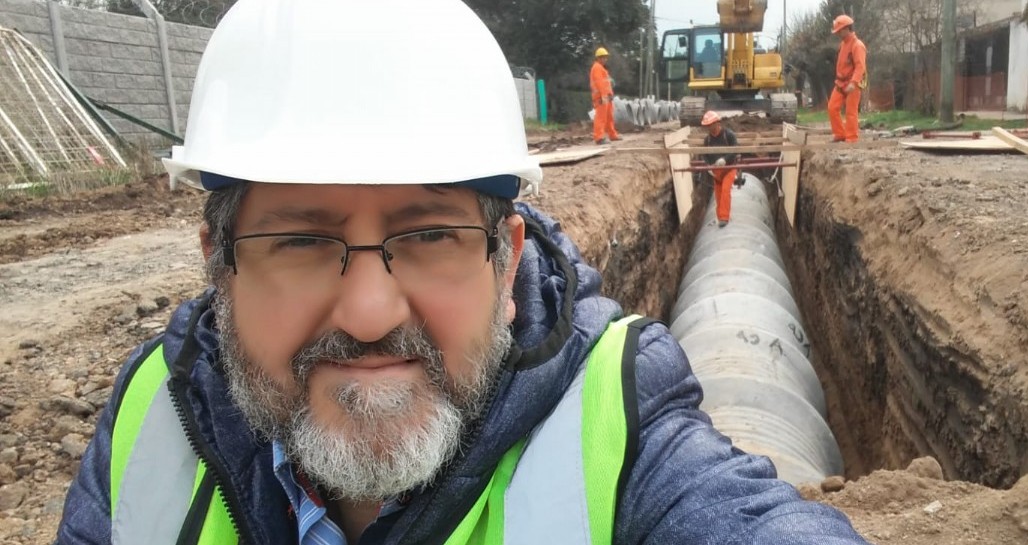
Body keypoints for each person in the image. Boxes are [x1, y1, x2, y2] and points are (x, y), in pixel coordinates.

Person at [55, 1, 871, 544]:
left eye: (430, 235)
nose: (371, 313)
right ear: (218, 264)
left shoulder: (618, 423)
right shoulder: (155, 421)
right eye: (303, 242)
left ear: (508, 255)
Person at [827, 14, 868, 143]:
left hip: (852, 83)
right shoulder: (843, 45)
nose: (838, 33)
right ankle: (840, 134)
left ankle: (851, 138)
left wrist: (853, 83)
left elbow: (860, 67)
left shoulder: (857, 45)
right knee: (832, 107)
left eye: (839, 31)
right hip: (841, 82)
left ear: (847, 29)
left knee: (851, 111)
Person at [701, 111, 739, 228]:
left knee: (725, 191)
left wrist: (725, 160)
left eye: (711, 124)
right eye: (707, 125)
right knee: (718, 195)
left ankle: (724, 217)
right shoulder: (707, 140)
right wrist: (708, 166)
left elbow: (735, 150)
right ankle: (720, 217)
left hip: (729, 168)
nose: (709, 128)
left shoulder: (728, 135)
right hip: (716, 172)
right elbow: (704, 156)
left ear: (717, 123)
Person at [590, 47, 620, 145]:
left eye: (606, 57)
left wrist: (610, 94)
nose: (605, 59)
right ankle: (599, 137)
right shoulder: (597, 68)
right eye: (603, 57)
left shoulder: (601, 68)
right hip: (601, 97)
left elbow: (606, 83)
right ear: (598, 58)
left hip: (606, 96)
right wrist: (603, 96)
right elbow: (600, 83)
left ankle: (612, 134)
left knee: (609, 117)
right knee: (601, 117)